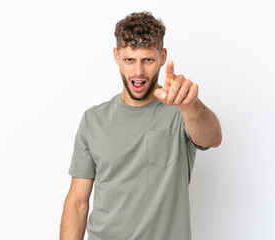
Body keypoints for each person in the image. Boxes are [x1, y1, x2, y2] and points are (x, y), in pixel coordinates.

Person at [60, 11, 222, 240]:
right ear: (116, 56)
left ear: (162, 56)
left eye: (147, 59)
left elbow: (212, 138)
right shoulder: (93, 120)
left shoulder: (181, 112)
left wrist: (190, 106)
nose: (138, 71)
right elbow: (77, 203)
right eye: (129, 60)